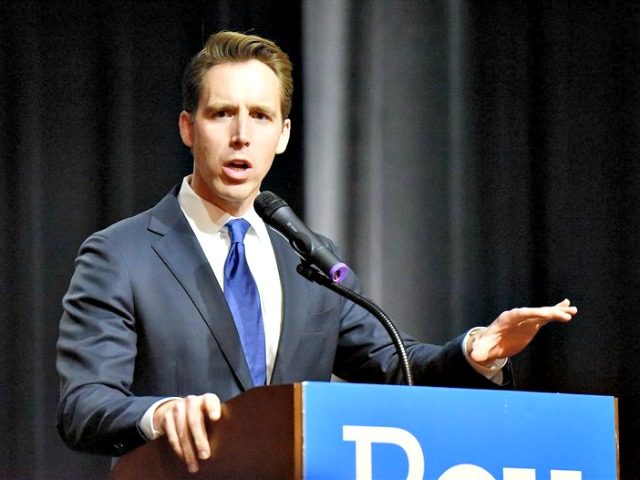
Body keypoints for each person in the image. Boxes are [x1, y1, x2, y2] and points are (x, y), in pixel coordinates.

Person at [56, 31, 577, 474]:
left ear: (282, 136)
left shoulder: (305, 256)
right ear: (188, 128)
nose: (241, 135)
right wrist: (161, 413)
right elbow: (84, 406)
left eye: (260, 116)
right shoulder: (121, 255)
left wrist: (475, 352)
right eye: (222, 114)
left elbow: (395, 367)